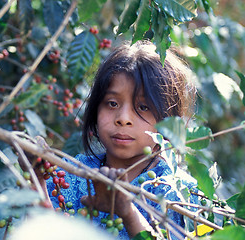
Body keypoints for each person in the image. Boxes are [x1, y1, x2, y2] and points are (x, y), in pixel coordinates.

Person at [43, 40, 199, 239]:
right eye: (112, 103)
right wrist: (37, 179)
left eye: (143, 107)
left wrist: (128, 213)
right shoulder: (69, 174)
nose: (123, 118)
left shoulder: (179, 195)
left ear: (169, 120)